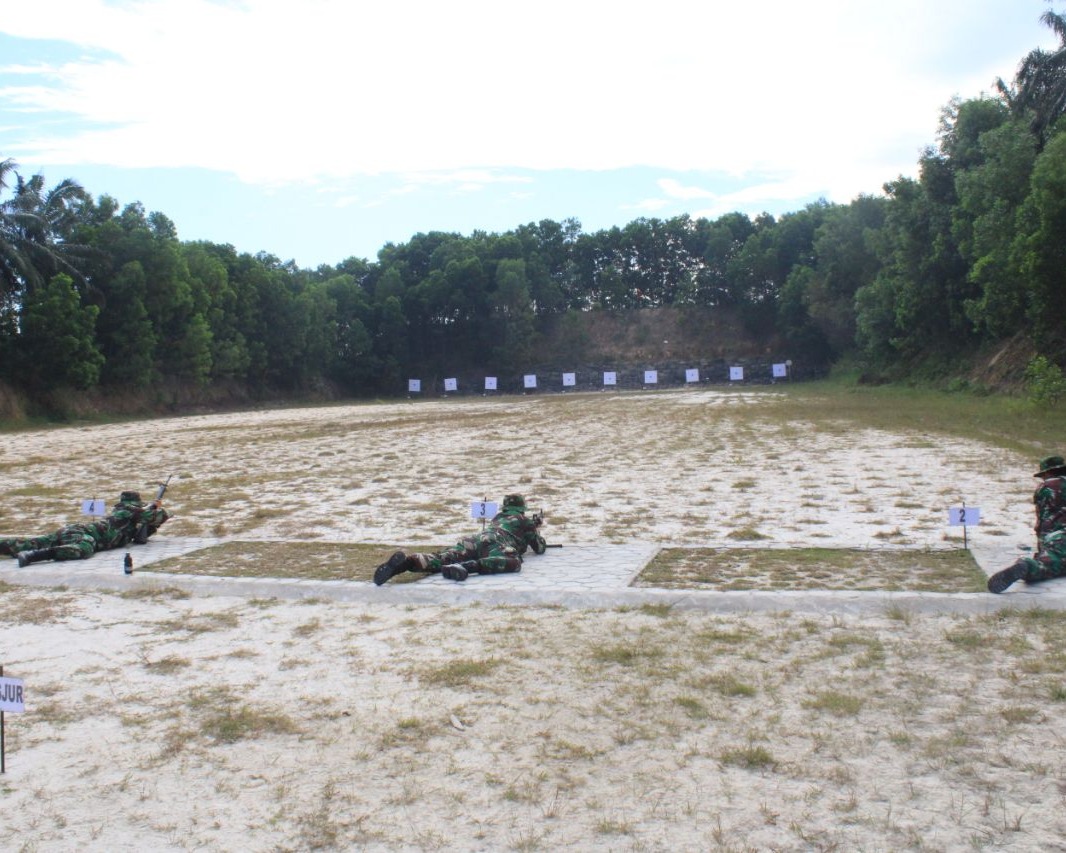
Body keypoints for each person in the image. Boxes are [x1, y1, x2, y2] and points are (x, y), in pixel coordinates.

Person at [374, 494, 547, 584]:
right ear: (521, 509)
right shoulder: (524, 521)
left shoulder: (497, 518)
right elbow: (539, 548)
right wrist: (536, 529)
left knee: (442, 558)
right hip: (497, 541)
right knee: (513, 562)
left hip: (476, 538)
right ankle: (468, 566)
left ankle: (406, 563)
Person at [0, 491, 171, 568]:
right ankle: (34, 556)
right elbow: (161, 516)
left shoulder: (127, 515)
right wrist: (157, 509)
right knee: (84, 550)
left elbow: (141, 537)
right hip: (85, 534)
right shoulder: (129, 511)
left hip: (76, 530)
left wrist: (151, 517)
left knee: (32, 542)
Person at [988, 455, 1066, 593]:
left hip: (1058, 539)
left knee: (1050, 565)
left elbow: (1042, 522)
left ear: (1047, 473)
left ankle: (1028, 567)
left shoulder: (1045, 488)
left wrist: (1042, 548)